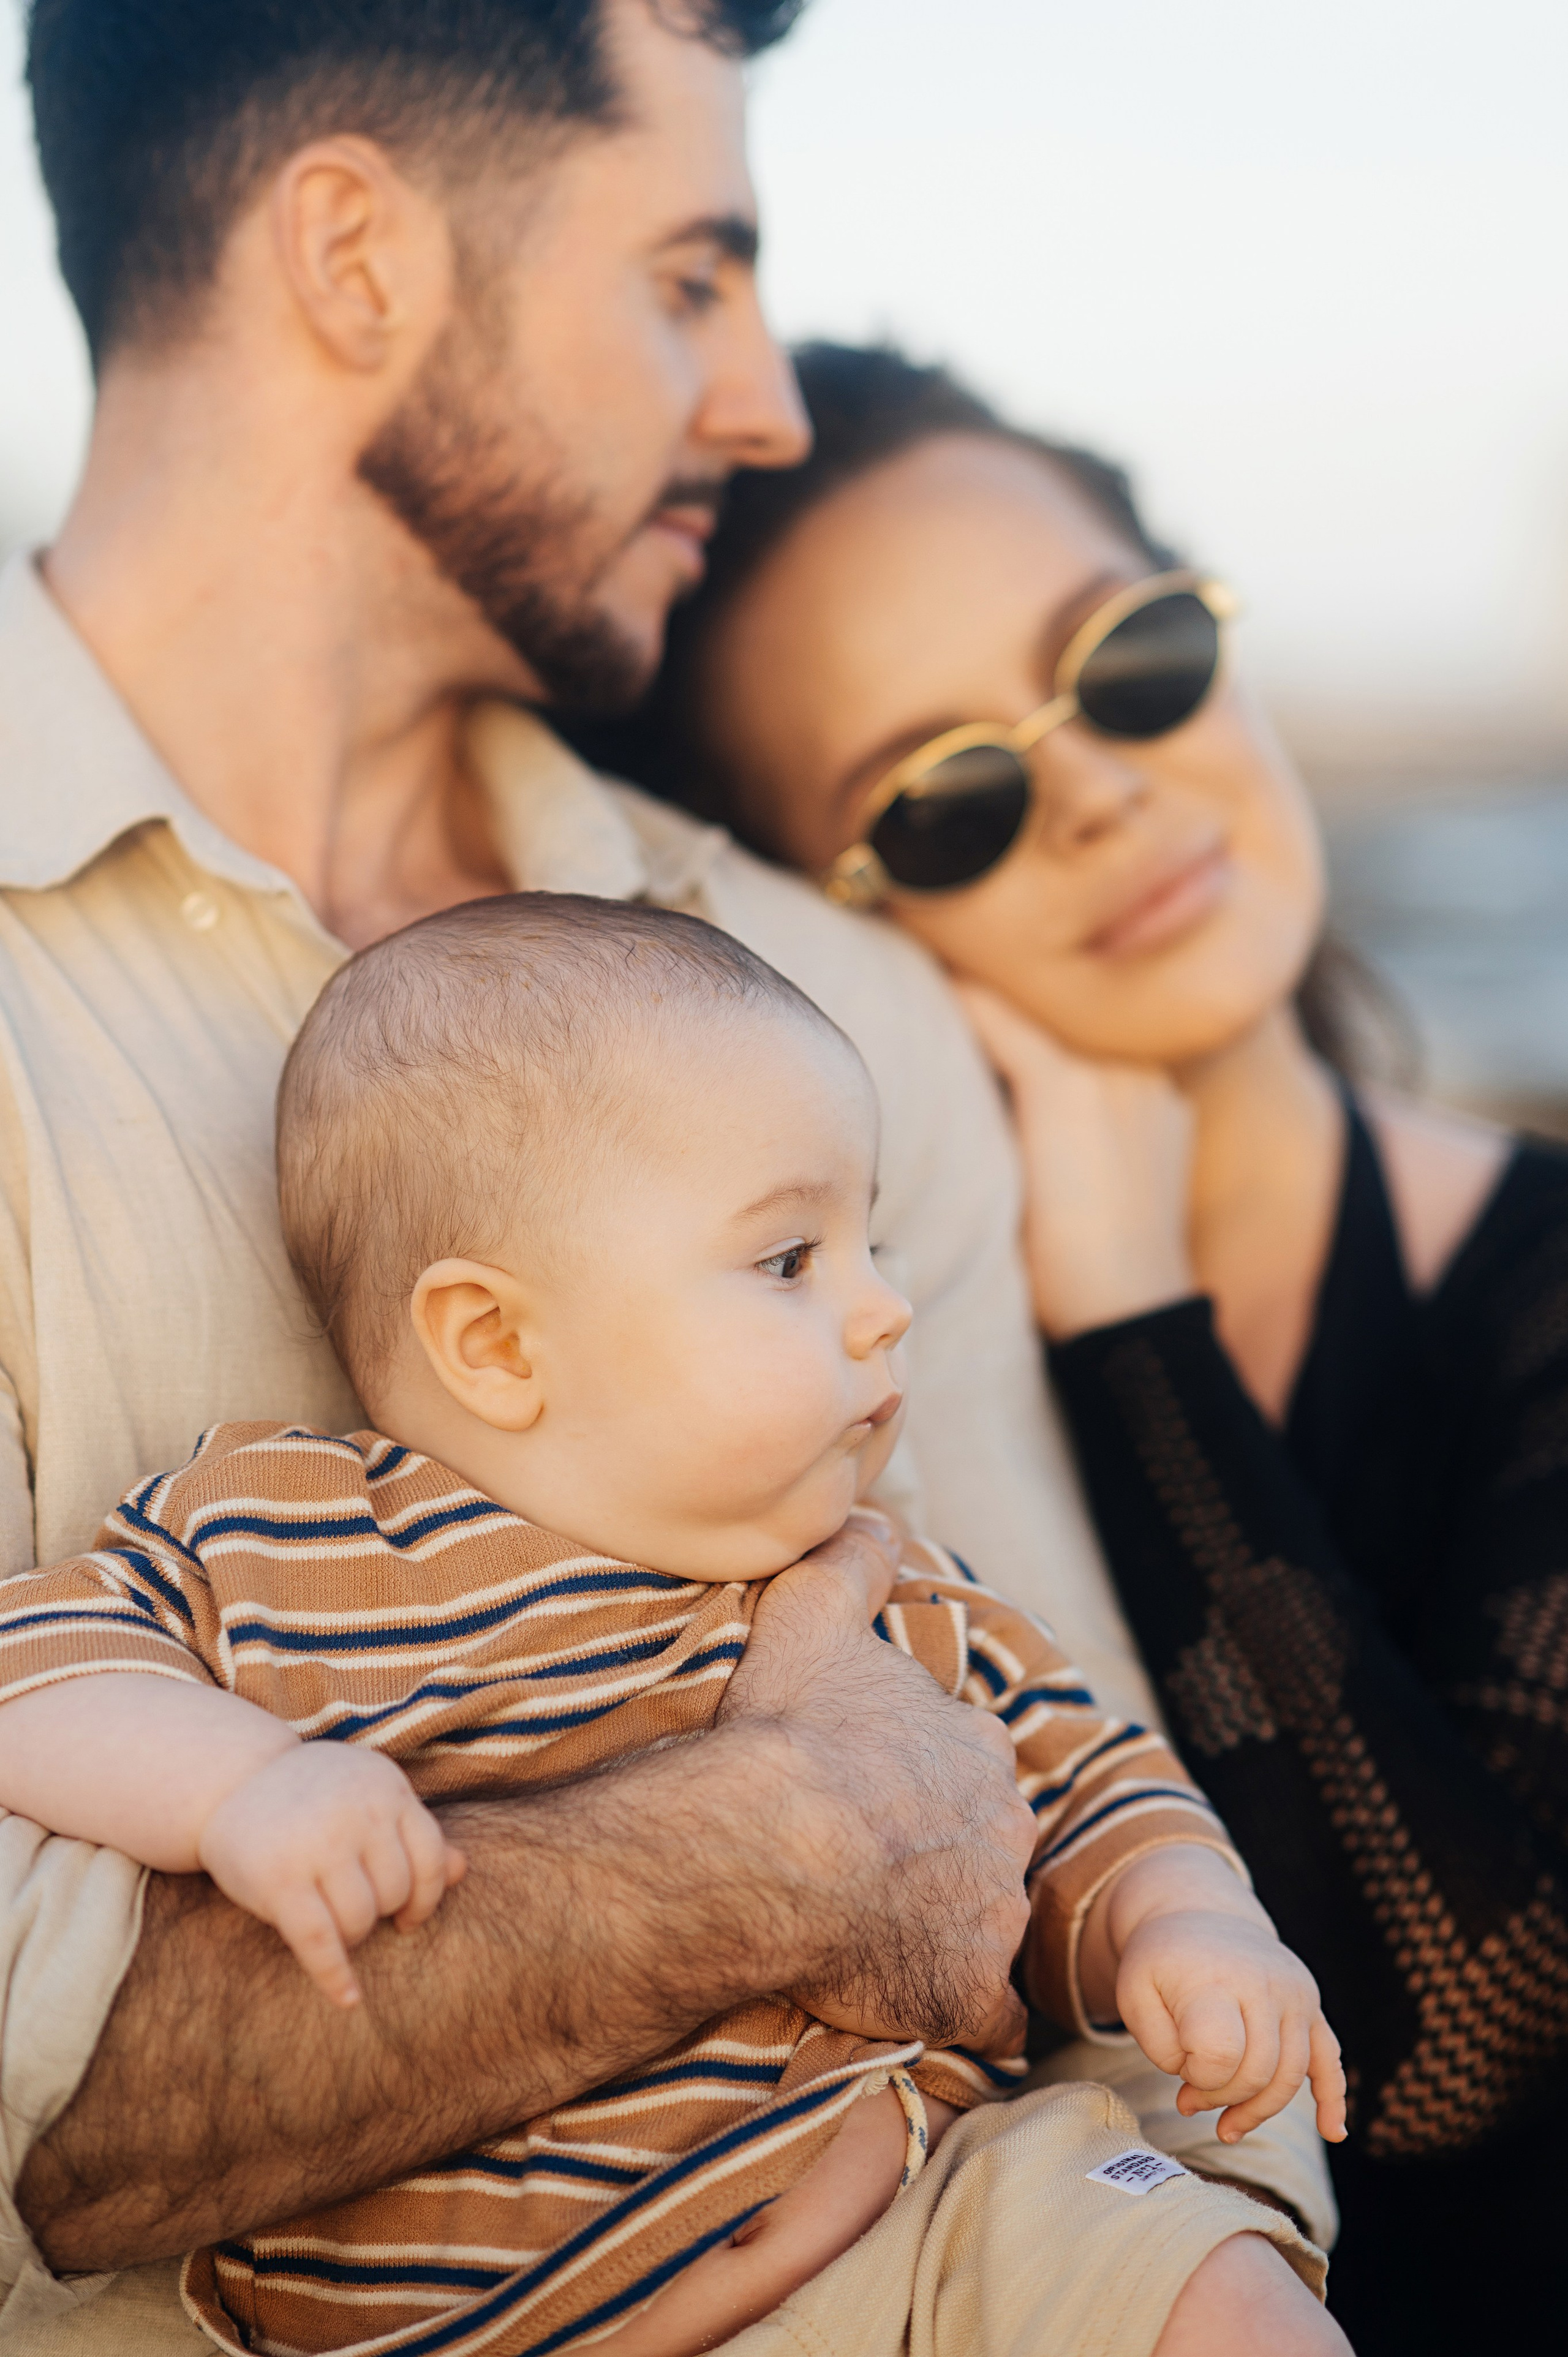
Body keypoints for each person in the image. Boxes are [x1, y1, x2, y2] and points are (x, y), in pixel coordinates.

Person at [0, 5, 1333, 2352]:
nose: (769, 403)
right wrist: (782, 1841)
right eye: (691, 277)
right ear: (352, 253)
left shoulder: (832, 999)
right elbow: (44, 2099)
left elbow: (1105, 1914)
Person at [575, 339, 1568, 2353]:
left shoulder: (1543, 1277)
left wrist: (1133, 1318)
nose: (1105, 789)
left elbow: (1458, 2043)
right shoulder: (803, 1397)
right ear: (814, 925)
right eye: (948, 799)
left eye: (1128, 662)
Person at [0, 895, 1344, 2357]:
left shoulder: (886, 1582)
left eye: (874, 1241)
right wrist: (238, 1785)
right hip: (492, 2323)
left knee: (1205, 2277)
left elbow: (1090, 1782)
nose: (885, 1310)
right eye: (790, 1259)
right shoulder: (284, 1537)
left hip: (928, 2237)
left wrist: (1183, 1923)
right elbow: (36, 1665)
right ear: (496, 1343)